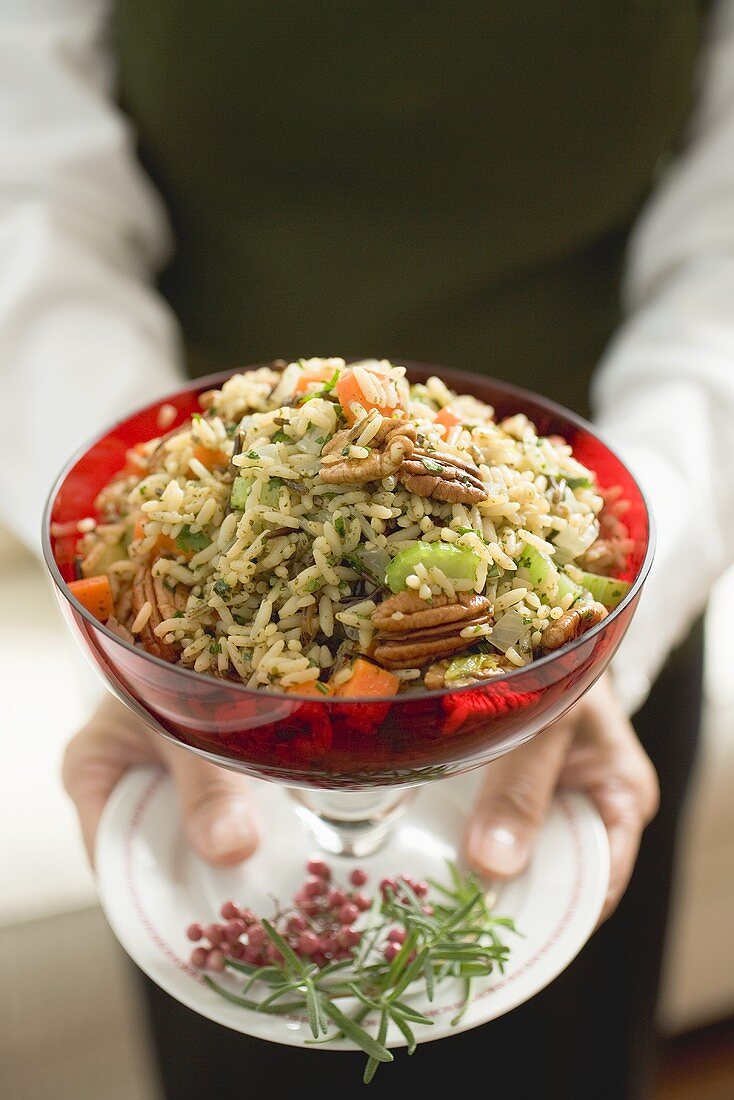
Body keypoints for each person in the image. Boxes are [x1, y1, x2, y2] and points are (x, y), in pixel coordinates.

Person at [2, 2, 734, 1096]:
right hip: (204, 646)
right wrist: (143, 630)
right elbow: (27, 179)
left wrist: (624, 599)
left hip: (577, 609)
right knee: (247, 1033)